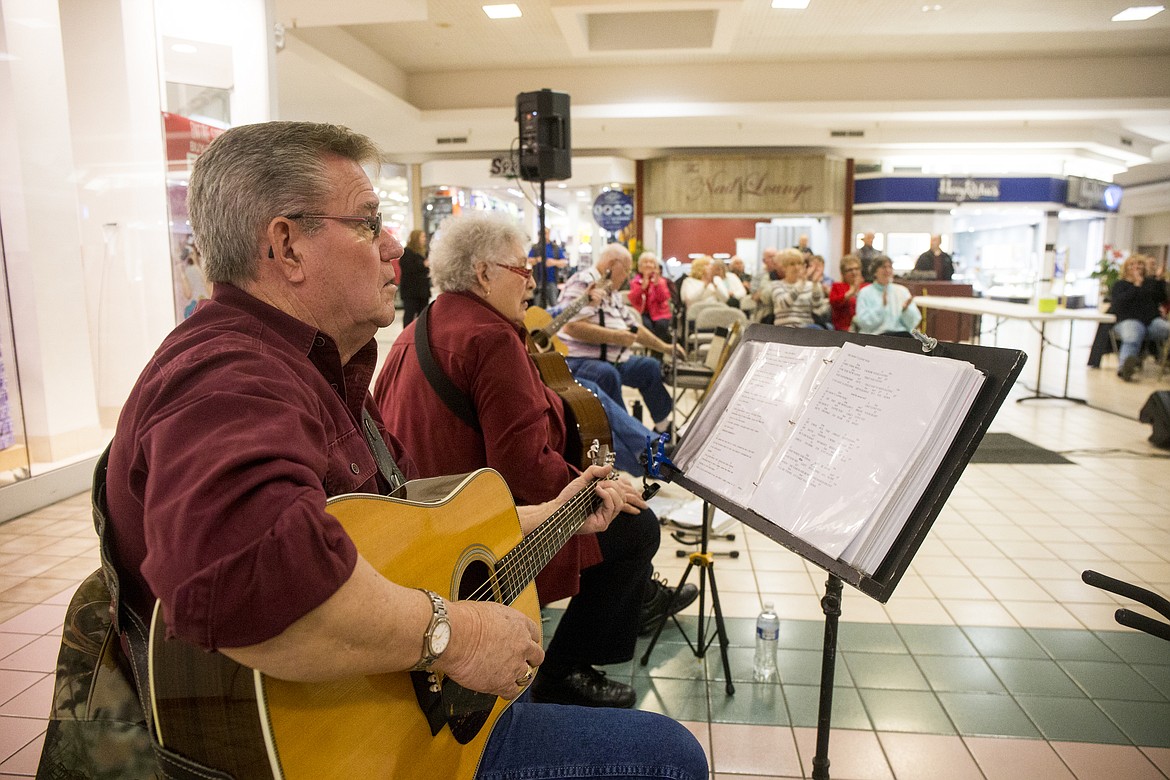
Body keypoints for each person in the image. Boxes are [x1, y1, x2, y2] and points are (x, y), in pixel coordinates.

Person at [102, 121, 707, 779]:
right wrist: (455, 634)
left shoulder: (319, 371)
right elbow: (257, 590)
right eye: (367, 224)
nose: (393, 247)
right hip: (350, 746)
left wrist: (555, 512)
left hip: (399, 698)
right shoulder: (227, 376)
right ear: (286, 246)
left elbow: (415, 538)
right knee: (670, 758)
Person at [374, 212, 698, 709]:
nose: (531, 283)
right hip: (480, 541)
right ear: (484, 274)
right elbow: (522, 468)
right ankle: (565, 671)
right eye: (521, 270)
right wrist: (599, 489)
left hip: (422, 527)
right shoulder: (492, 338)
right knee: (637, 528)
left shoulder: (424, 322)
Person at [559, 244, 685, 439]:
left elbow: (634, 327)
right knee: (608, 375)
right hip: (580, 361)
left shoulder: (612, 292)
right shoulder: (583, 282)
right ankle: (630, 441)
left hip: (613, 359)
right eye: (625, 269)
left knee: (650, 367)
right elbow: (571, 326)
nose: (627, 276)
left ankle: (663, 428)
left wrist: (666, 348)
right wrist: (616, 337)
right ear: (611, 265)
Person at [1111, 253, 1169, 381]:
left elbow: (1161, 297)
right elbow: (1119, 304)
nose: (1136, 267)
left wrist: (1158, 280)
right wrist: (1136, 285)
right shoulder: (1120, 285)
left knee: (1166, 328)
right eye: (1132, 264)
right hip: (1128, 321)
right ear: (1126, 268)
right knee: (1133, 335)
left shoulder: (1149, 284)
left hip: (1151, 322)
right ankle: (1124, 368)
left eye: (1140, 264)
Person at [855, 255, 922, 335]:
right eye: (883, 267)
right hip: (876, 336)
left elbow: (913, 323)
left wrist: (905, 310)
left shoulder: (902, 291)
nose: (887, 270)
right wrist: (881, 307)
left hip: (901, 335)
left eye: (890, 267)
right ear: (874, 272)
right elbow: (864, 323)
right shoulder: (865, 292)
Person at [771, 247, 828, 328]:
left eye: (799, 263)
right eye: (792, 264)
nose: (796, 267)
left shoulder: (810, 285)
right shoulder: (777, 285)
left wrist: (815, 284)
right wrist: (801, 284)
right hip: (785, 329)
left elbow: (817, 307)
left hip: (807, 328)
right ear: (784, 267)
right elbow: (784, 303)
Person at [627, 251, 674, 344]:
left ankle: (658, 354)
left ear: (655, 266)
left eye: (651, 262)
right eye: (645, 262)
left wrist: (657, 285)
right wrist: (642, 288)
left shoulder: (661, 281)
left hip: (660, 313)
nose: (648, 265)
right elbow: (633, 299)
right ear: (640, 266)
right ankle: (650, 350)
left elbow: (664, 298)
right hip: (642, 313)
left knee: (661, 326)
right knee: (646, 327)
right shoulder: (635, 282)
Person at [398, 228, 431, 325]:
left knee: (423, 316)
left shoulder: (424, 252)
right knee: (409, 314)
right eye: (422, 237)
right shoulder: (407, 252)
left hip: (423, 290)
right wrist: (423, 265)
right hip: (411, 291)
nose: (424, 239)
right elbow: (407, 269)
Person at [529, 227, 570, 306]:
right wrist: (538, 260)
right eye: (542, 233)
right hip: (538, 282)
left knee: (554, 304)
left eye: (546, 233)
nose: (544, 235)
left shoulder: (555, 248)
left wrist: (553, 262)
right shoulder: (535, 248)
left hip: (552, 281)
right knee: (537, 306)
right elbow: (529, 260)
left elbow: (564, 262)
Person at [829, 254, 867, 332]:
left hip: (866, 328)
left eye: (857, 269)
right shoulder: (837, 286)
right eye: (849, 270)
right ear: (842, 273)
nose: (854, 272)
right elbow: (834, 303)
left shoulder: (867, 287)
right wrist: (851, 292)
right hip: (844, 330)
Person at [751, 247, 781, 324]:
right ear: (764, 261)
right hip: (765, 310)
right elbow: (755, 297)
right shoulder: (759, 275)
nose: (774, 259)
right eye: (771, 257)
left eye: (776, 257)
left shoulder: (783, 273)